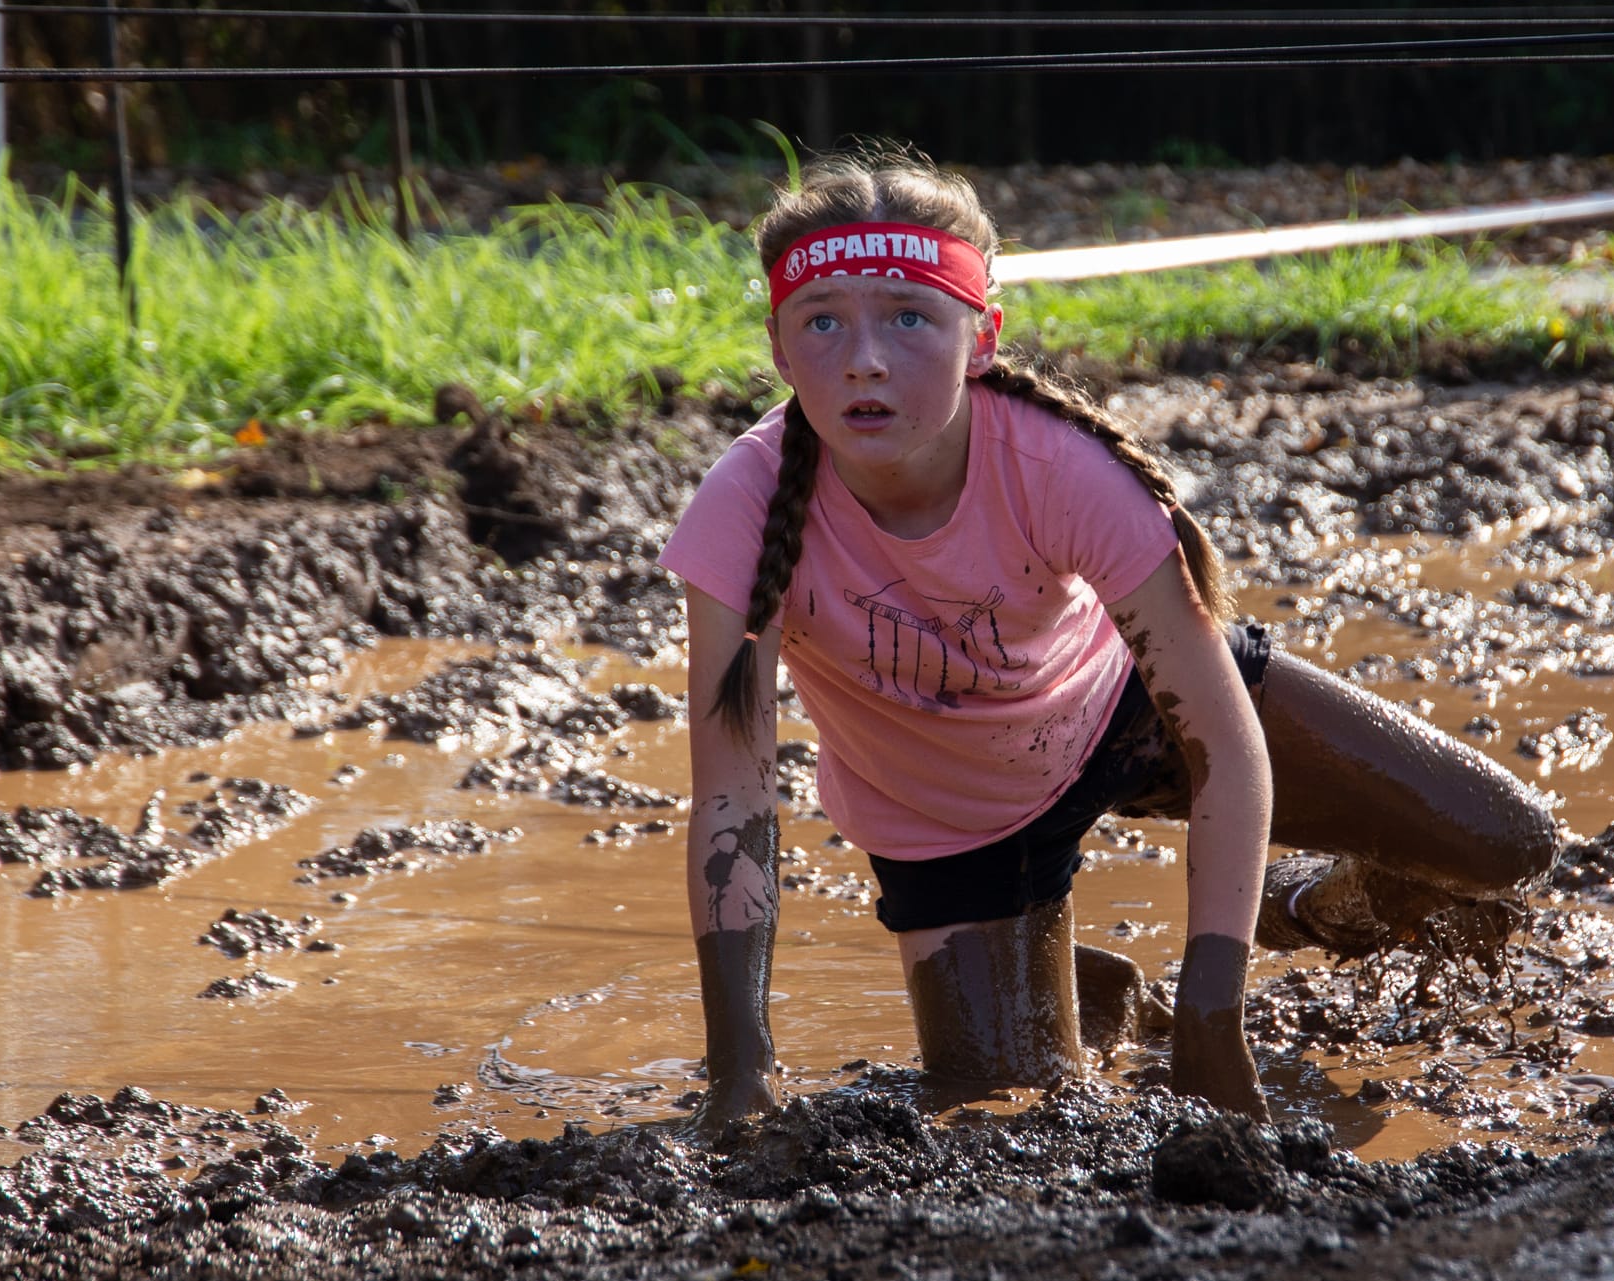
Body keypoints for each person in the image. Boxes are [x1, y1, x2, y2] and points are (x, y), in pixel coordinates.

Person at [657, 150, 1557, 1126]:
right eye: (822, 320)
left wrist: (1214, 1009)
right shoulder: (740, 511)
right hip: (950, 817)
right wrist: (738, 1067)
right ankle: (1092, 990)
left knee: (1501, 839)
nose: (863, 358)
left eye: (908, 318)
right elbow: (735, 796)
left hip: (1124, 714)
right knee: (1002, 1106)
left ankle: (1293, 903)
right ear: (781, 350)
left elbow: (1220, 734)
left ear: (980, 338)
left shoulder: (1059, 467)